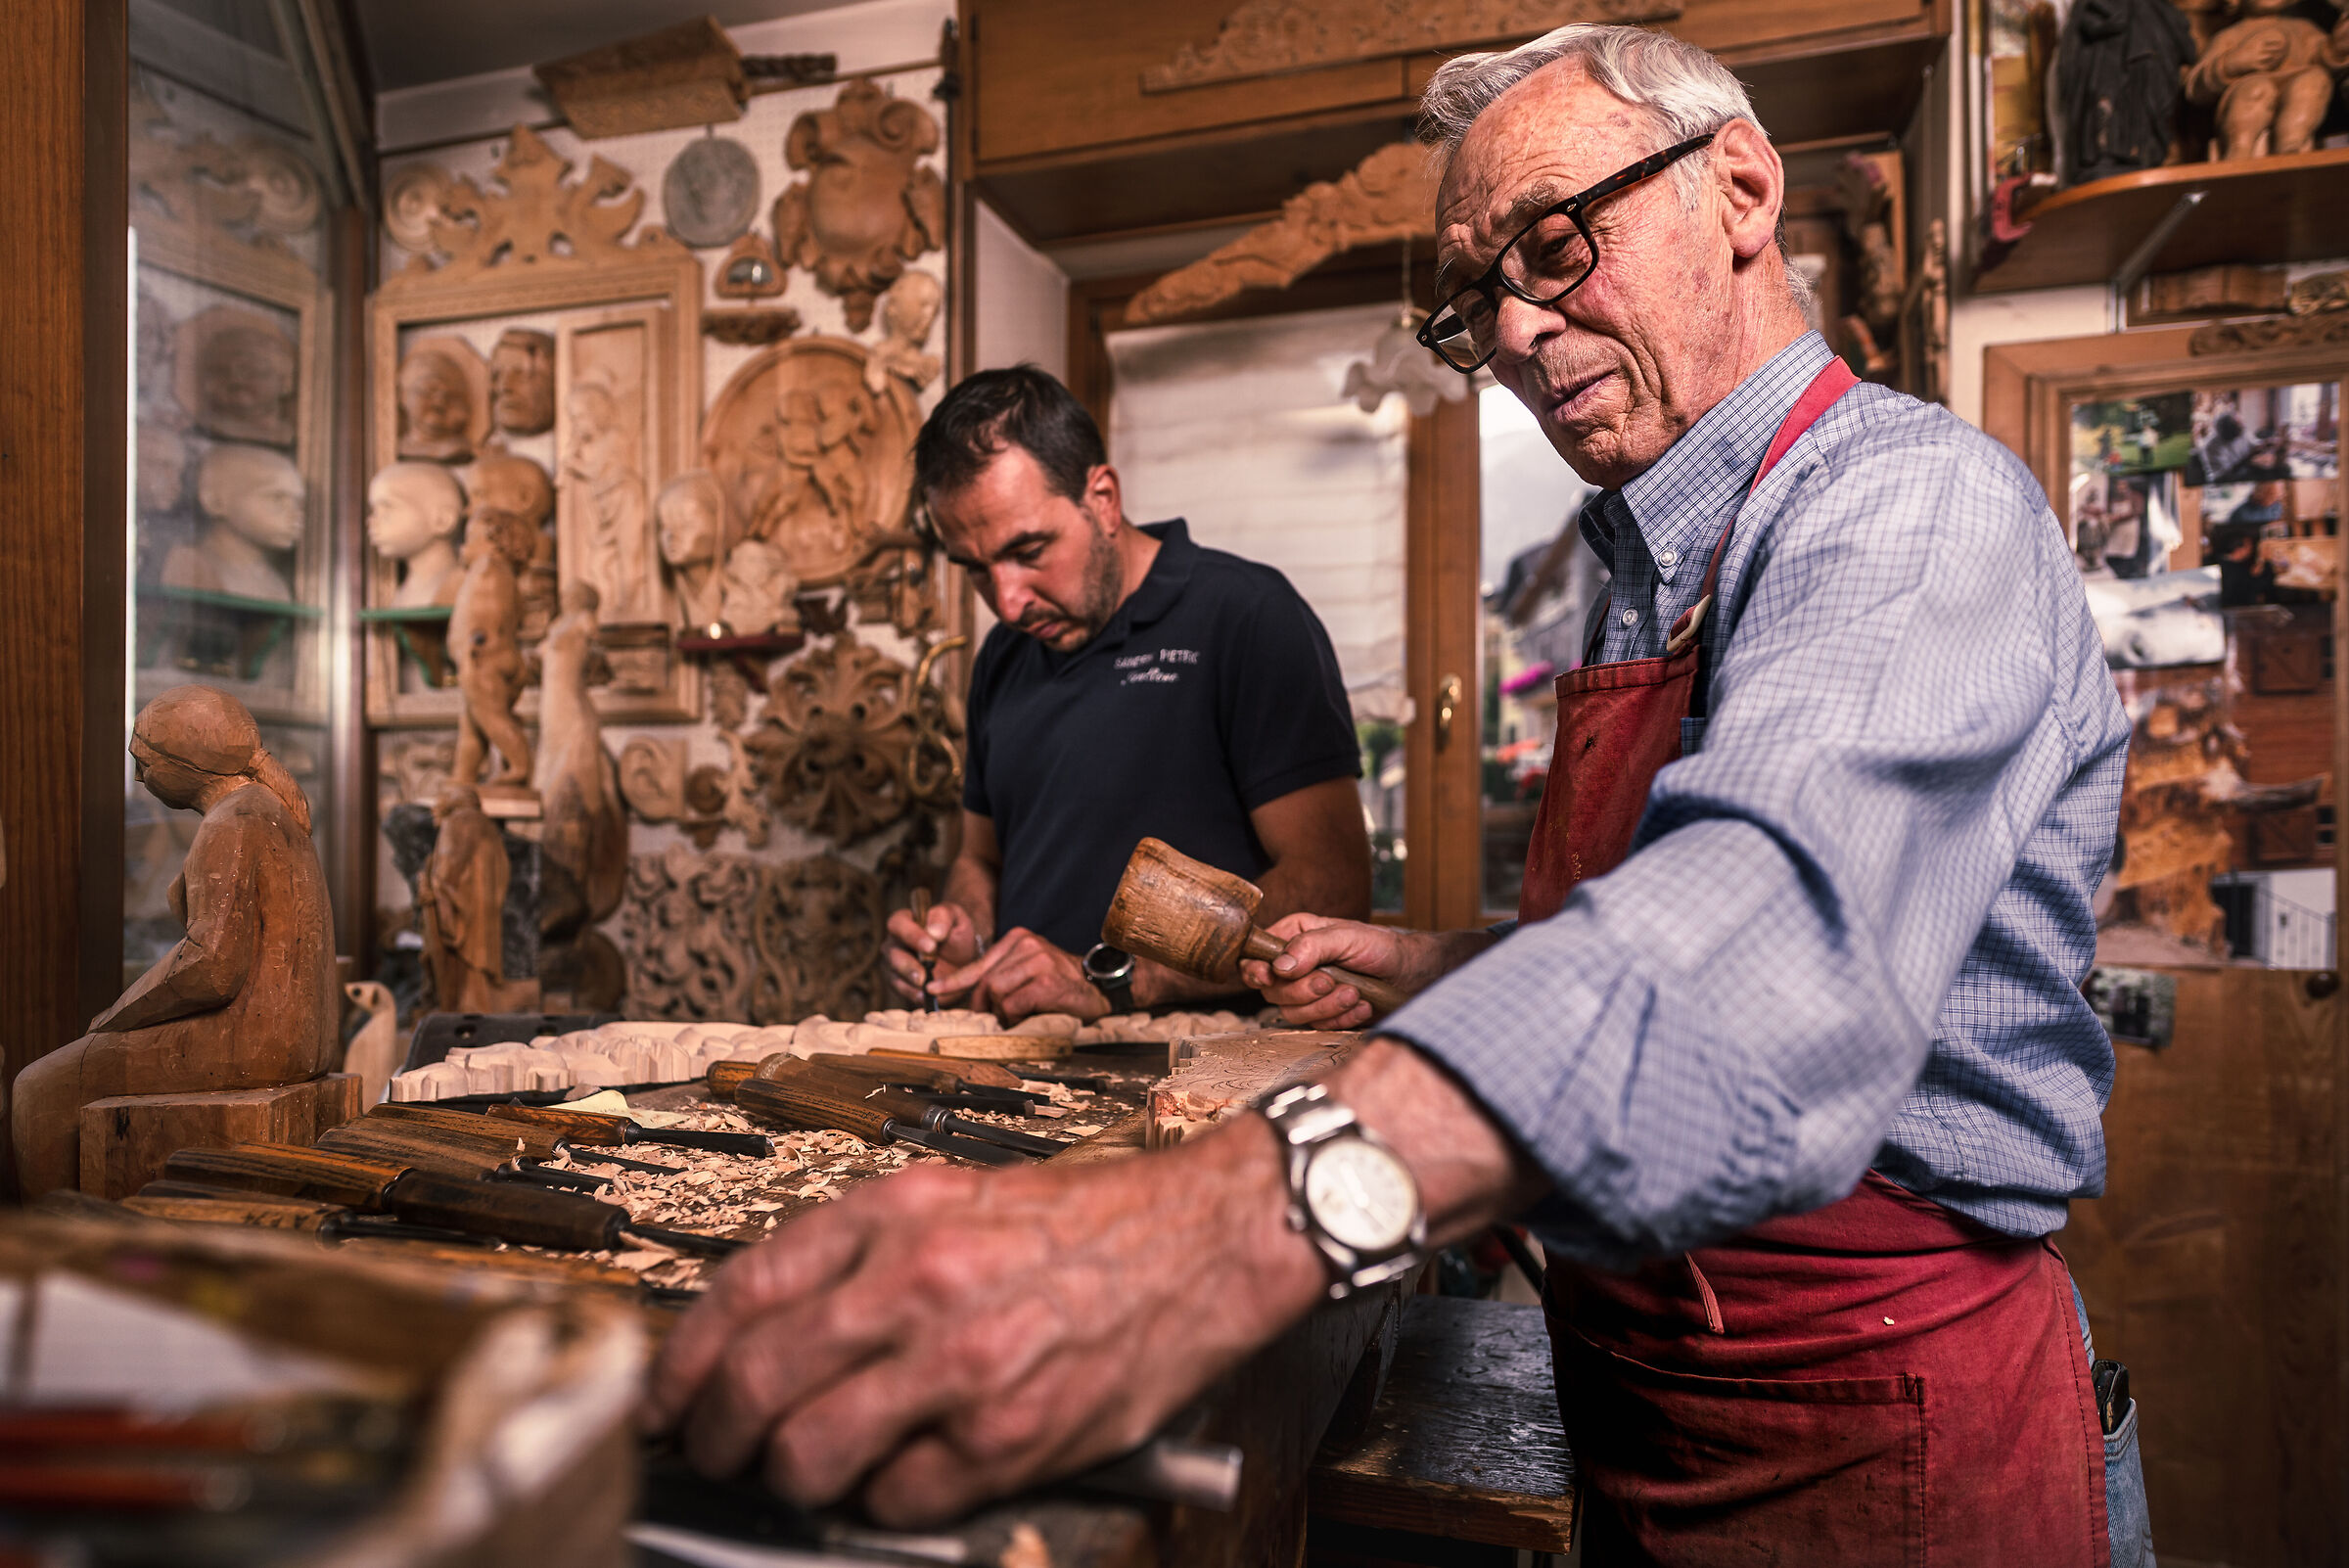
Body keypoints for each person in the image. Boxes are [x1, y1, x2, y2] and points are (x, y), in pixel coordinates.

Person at [646, 26, 2149, 1567]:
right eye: (1473, 295)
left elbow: (1760, 965)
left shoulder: (1905, 508)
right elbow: (1663, 917)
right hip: (1658, 1384)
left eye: (1555, 245)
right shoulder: (1645, 569)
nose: (1511, 326)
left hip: (1879, 1405)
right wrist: (1452, 966)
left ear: (1743, 187)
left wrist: (1212, 1228)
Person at [880, 366, 1371, 1021]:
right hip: (1028, 1061)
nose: (1007, 602)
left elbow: (1332, 887)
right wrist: (957, 936)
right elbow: (980, 858)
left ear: (1103, 499)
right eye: (975, 569)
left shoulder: (1247, 614)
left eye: (1028, 550)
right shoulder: (1003, 654)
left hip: (1206, 1064)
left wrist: (1112, 981)